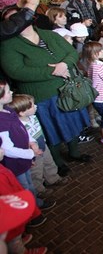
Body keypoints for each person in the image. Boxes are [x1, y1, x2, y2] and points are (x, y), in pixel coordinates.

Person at [0, 11, 92, 176]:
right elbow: (16, 71)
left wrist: (64, 64)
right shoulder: (9, 44)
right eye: (10, 20)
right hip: (41, 96)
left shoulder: (48, 34)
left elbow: (71, 52)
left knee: (70, 122)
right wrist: (53, 71)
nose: (16, 21)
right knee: (50, 130)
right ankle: (57, 162)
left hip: (66, 91)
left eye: (18, 16)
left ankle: (74, 152)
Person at [0, 81, 56, 212]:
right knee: (24, 186)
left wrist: (32, 142)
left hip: (25, 154)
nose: (12, 92)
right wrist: (30, 153)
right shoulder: (1, 121)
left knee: (29, 183)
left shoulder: (8, 111)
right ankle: (31, 211)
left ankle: (36, 203)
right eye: (8, 92)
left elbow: (23, 130)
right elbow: (7, 149)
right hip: (16, 161)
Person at [5, 94, 69, 198]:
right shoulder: (19, 125)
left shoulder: (33, 117)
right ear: (21, 112)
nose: (36, 106)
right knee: (36, 171)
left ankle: (52, 178)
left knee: (49, 162)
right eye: (32, 106)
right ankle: (39, 188)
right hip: (33, 151)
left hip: (42, 144)